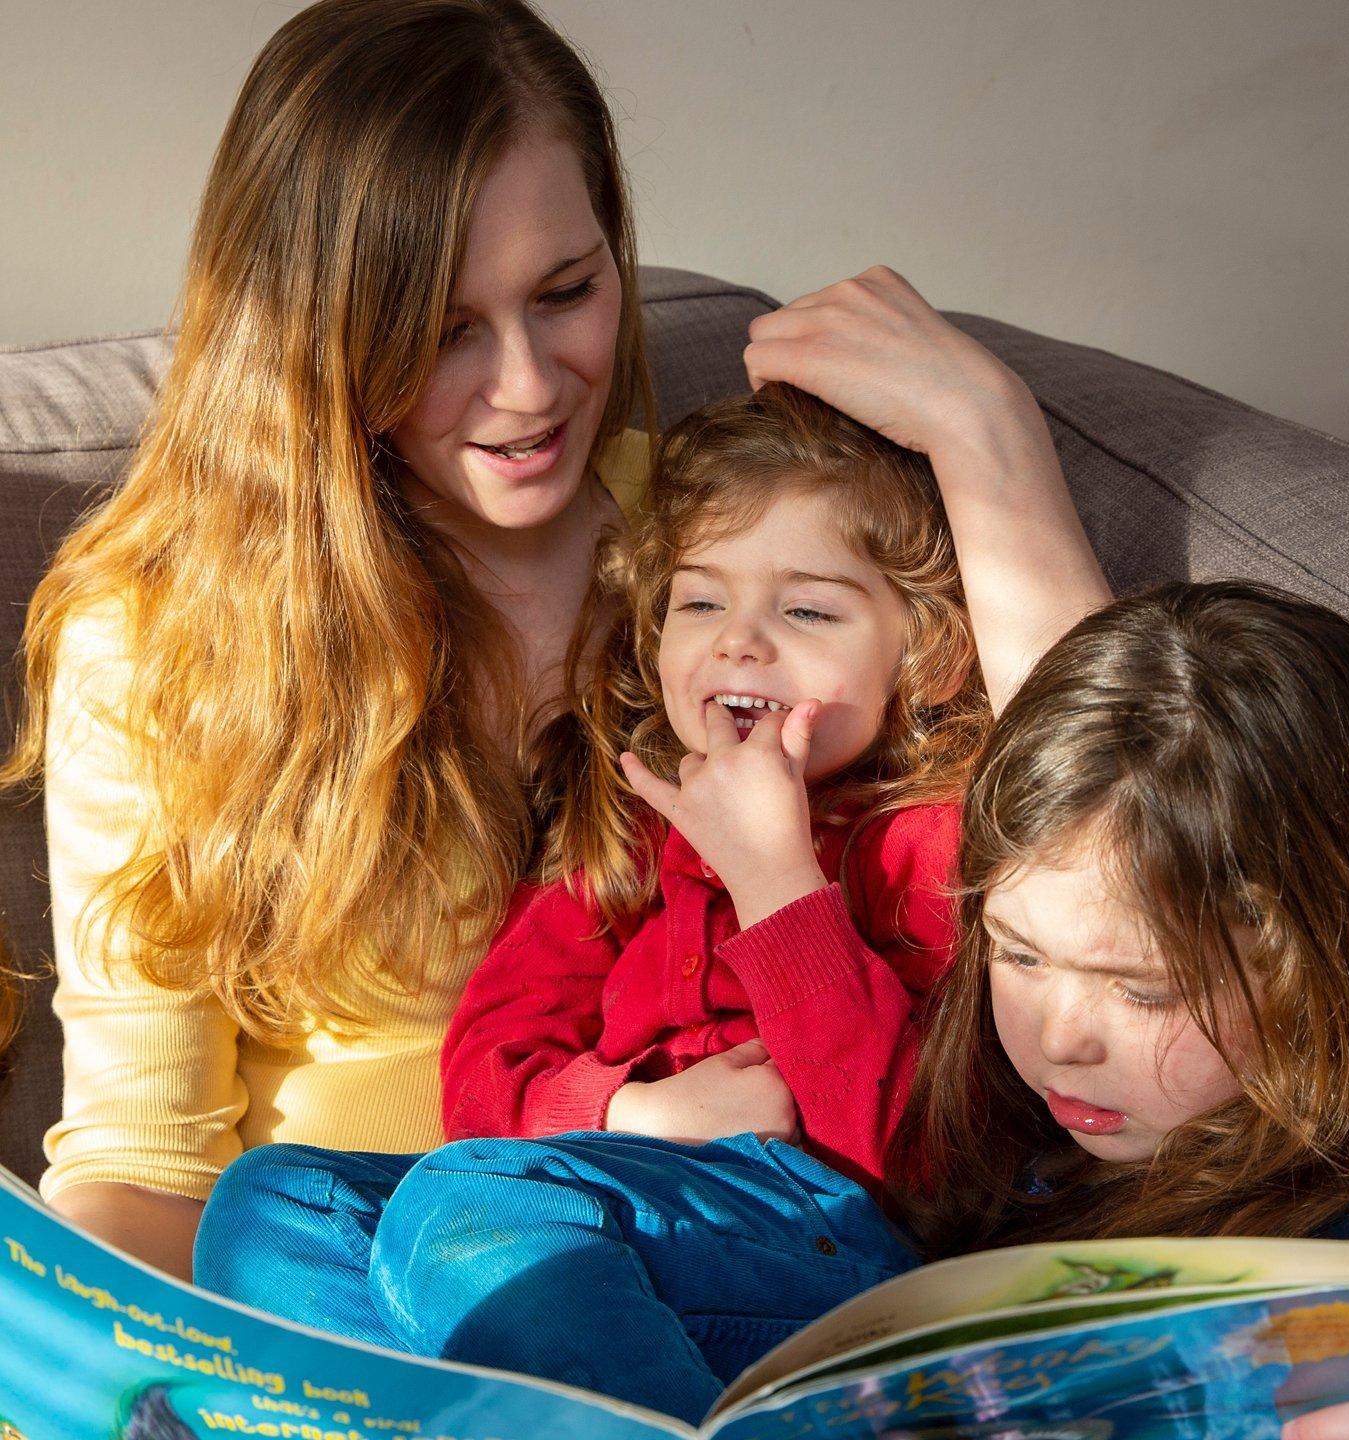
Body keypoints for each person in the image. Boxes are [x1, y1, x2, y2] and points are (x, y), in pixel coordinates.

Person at [0, 0, 1108, 1281]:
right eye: (441, 328)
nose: (526, 388)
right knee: (267, 1218)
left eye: (565, 292)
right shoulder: (156, 632)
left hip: (701, 1227)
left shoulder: (721, 561)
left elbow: (1108, 841)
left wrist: (989, 436)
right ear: (317, 331)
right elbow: (145, 1165)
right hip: (348, 1270)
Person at [195, 383, 997, 1421]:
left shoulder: (931, 838)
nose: (739, 642)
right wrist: (631, 1112)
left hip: (839, 1247)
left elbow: (925, 1164)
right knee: (275, 1205)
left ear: (924, 653)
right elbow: (484, 1061)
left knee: (476, 1206)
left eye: (805, 609)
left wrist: (776, 882)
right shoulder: (631, 825)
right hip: (602, 1211)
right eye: (701, 602)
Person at [889, 580, 1349, 1440]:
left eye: (1143, 990)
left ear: (1315, 957)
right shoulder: (1038, 1137)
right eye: (1020, 954)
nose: (1059, 1041)